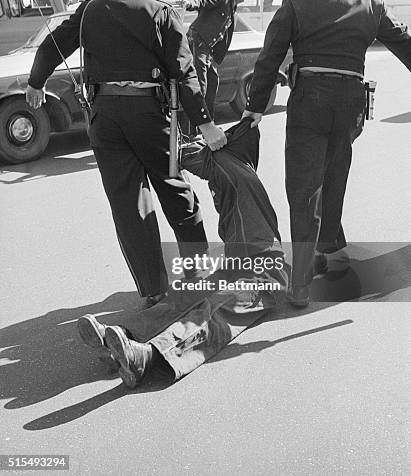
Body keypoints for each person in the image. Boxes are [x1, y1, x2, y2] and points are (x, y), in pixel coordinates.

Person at [25, 0, 227, 305]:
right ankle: (196, 273)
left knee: (128, 203)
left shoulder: (90, 11)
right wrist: (206, 123)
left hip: (104, 117)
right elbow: (183, 71)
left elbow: (50, 46)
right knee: (175, 188)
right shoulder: (159, 11)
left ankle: (152, 290)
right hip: (148, 113)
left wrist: (36, 83)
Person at [242, 0, 411, 308]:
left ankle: (300, 285)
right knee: (335, 173)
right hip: (351, 104)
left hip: (310, 101)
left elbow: (269, 57)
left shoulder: (298, 0)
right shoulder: (372, 4)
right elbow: (406, 44)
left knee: (303, 191)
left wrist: (255, 107)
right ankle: (332, 249)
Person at [77, 119, 288, 388]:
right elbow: (195, 154)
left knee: (213, 312)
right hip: (234, 264)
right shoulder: (231, 165)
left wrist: (206, 129)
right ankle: (120, 338)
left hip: (266, 273)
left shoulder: (235, 165)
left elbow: (192, 154)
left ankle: (148, 354)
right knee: (188, 294)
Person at [181, 0, 253, 132]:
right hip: (198, 44)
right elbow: (203, 1)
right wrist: (189, 4)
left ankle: (207, 125)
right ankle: (191, 131)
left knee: (212, 83)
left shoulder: (232, 7)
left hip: (207, 50)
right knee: (199, 87)